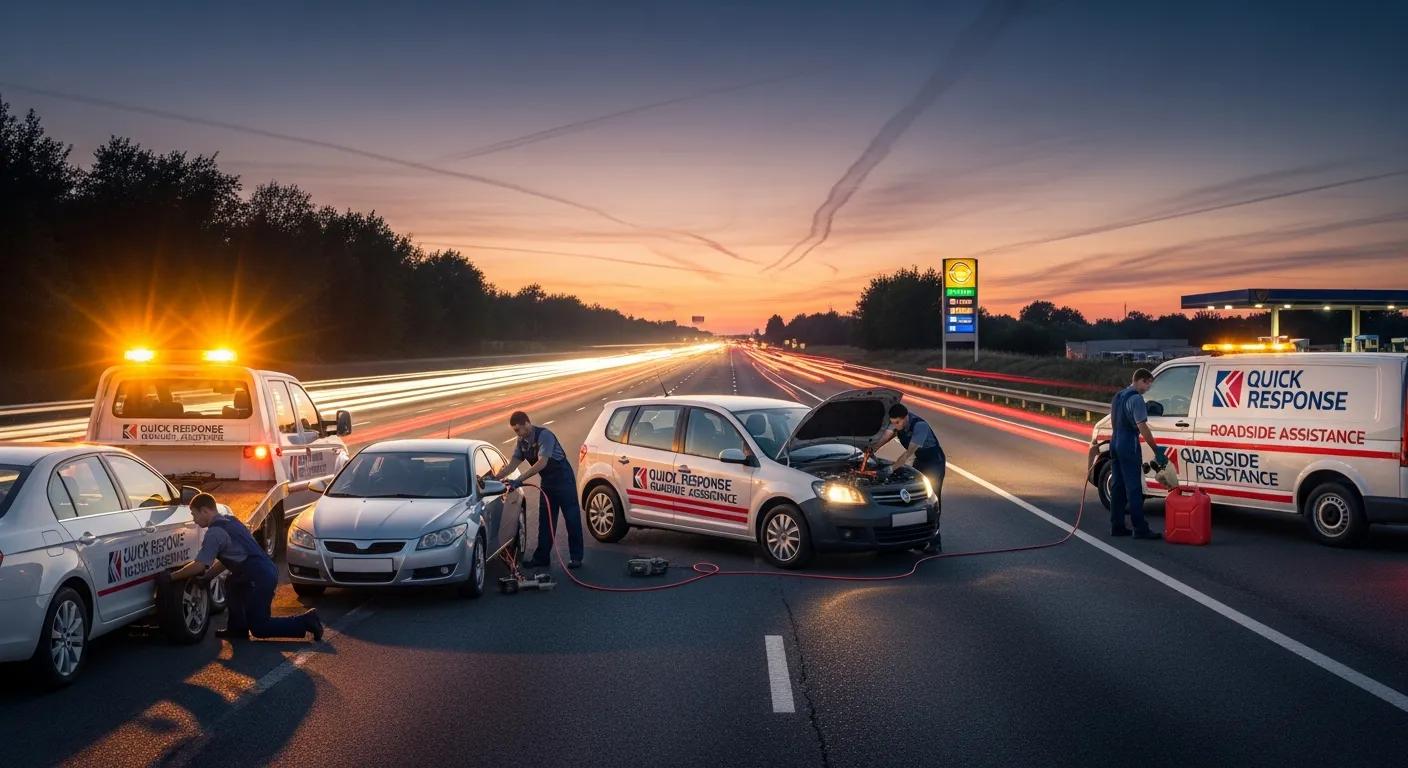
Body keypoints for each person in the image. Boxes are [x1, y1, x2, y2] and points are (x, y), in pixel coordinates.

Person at [159, 493, 324, 641]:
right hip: (262, 570)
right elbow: (229, 559)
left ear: (205, 511)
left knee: (260, 627)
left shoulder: (215, 533)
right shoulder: (231, 521)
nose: (194, 519)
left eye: (194, 514)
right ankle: (237, 628)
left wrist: (171, 577)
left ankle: (306, 621)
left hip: (259, 577)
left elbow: (199, 565)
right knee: (232, 583)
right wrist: (208, 577)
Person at [491, 411, 585, 569]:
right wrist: (495, 478)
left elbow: (542, 463)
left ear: (527, 424)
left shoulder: (544, 435)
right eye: (514, 430)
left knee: (571, 518)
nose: (517, 433)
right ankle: (542, 558)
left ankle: (576, 558)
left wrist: (520, 480)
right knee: (546, 521)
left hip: (563, 480)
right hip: (547, 482)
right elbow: (512, 464)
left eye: (518, 429)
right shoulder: (521, 441)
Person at [1100, 369, 1165, 540]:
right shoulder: (1136, 399)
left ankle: (1117, 526)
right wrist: (1156, 450)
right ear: (1142, 380)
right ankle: (1140, 528)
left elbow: (1114, 420)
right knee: (1134, 488)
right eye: (1148, 384)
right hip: (1129, 444)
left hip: (1115, 442)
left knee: (1117, 486)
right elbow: (1142, 426)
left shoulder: (1118, 396)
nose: (1148, 388)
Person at [871, 403, 945, 553]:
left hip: (934, 462)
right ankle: (919, 539)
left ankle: (935, 542)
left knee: (931, 499)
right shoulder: (897, 423)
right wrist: (871, 450)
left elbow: (907, 455)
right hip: (920, 460)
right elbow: (885, 436)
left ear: (905, 418)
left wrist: (890, 469)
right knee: (914, 499)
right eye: (893, 423)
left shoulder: (920, 426)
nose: (895, 426)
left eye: (897, 423)